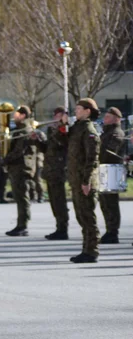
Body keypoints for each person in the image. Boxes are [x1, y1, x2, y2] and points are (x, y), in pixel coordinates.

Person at [67, 98, 102, 263]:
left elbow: (92, 159)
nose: (76, 111)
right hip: (76, 179)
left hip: (85, 180)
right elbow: (64, 143)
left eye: (79, 108)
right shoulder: (77, 128)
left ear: (88, 111)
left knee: (88, 217)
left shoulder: (89, 131)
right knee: (81, 216)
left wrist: (86, 181)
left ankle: (92, 250)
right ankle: (86, 249)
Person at [2, 106, 37, 236]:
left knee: (22, 198)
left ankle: (23, 225)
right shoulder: (18, 129)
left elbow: (19, 150)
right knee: (19, 197)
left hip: (22, 167)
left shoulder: (24, 129)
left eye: (16, 114)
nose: (14, 116)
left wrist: (6, 159)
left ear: (22, 115)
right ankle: (20, 224)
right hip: (17, 167)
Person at [98, 107, 125, 244]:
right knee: (104, 203)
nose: (105, 119)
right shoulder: (106, 132)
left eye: (108, 117)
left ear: (116, 119)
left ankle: (113, 231)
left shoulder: (116, 132)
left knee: (111, 203)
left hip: (112, 169)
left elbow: (109, 151)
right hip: (104, 169)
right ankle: (109, 229)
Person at [42, 107, 70, 240]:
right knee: (53, 200)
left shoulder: (65, 129)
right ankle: (58, 227)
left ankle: (63, 228)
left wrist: (59, 128)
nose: (55, 119)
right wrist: (36, 140)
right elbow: (47, 148)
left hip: (59, 168)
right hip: (50, 168)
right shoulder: (51, 130)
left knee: (59, 200)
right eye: (55, 116)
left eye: (58, 116)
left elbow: (62, 144)